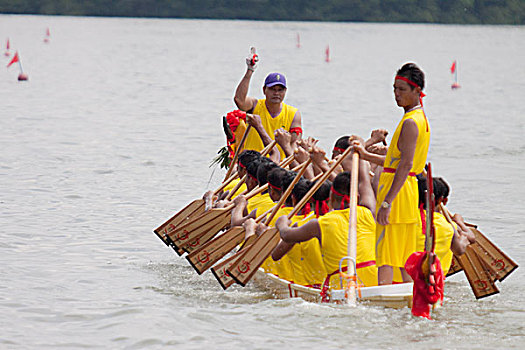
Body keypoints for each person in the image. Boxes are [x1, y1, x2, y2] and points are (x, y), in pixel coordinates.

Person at [352, 63, 431, 285]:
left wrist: (386, 202)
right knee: (404, 255)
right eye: (394, 88)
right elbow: (395, 163)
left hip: (397, 193)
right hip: (406, 191)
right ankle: (409, 299)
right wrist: (365, 154)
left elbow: (404, 166)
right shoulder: (419, 119)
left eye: (402, 90)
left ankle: (385, 304)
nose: (396, 94)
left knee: (386, 254)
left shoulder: (410, 123)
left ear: (417, 91)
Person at [275, 157, 378, 301]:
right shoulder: (368, 211)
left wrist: (282, 223)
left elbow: (286, 235)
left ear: (332, 196)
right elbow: (365, 181)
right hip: (375, 280)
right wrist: (362, 152)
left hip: (343, 283)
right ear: (357, 196)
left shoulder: (319, 223)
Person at [233, 54, 302, 159]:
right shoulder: (255, 105)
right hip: (252, 166)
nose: (276, 93)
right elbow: (239, 100)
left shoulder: (293, 114)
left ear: (285, 91)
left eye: (280, 90)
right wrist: (249, 71)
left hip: (278, 169)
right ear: (264, 90)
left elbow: (294, 145)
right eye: (272, 89)